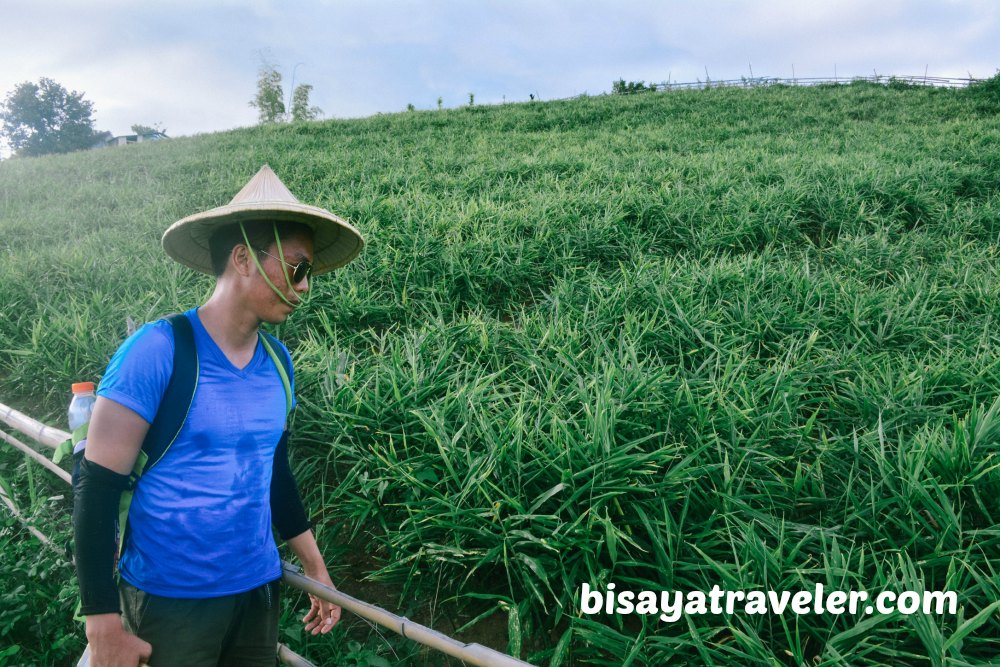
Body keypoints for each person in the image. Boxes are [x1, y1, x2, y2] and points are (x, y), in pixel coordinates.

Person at [73, 165, 365, 667]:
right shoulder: (157, 351)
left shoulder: (279, 363)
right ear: (243, 258)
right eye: (298, 267)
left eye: (309, 273)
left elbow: (274, 472)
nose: (306, 286)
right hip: (169, 600)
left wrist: (315, 566)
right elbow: (95, 486)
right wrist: (102, 623)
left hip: (257, 590)